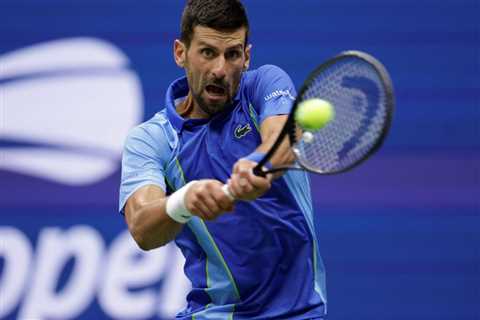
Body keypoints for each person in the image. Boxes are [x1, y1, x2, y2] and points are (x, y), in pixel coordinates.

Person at [119, 0, 327, 318]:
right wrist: (184, 201)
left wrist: (259, 165)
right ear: (180, 53)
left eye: (232, 54)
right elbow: (142, 228)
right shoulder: (152, 139)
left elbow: (283, 138)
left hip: (299, 312)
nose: (220, 69)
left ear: (246, 57)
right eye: (207, 52)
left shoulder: (265, 85)